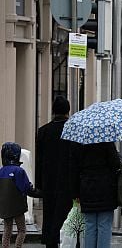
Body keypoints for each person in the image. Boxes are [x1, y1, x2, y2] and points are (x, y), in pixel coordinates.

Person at [36, 95, 77, 248]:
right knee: (68, 218)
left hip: (49, 181)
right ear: (68, 111)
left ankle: (51, 242)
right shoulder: (74, 131)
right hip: (69, 181)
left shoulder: (43, 131)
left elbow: (39, 161)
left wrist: (40, 184)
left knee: (50, 216)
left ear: (53, 111)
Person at [72, 142, 121, 248]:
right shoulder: (107, 142)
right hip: (106, 187)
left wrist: (76, 192)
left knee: (89, 225)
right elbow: (116, 164)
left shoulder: (81, 143)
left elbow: (75, 167)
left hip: (86, 187)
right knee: (104, 225)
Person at [0, 142, 35, 248]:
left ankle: (5, 246)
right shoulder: (19, 171)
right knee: (22, 230)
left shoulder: (1, 171)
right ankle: (18, 246)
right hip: (18, 206)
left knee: (7, 229)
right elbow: (26, 188)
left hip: (5, 206)